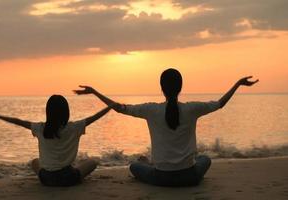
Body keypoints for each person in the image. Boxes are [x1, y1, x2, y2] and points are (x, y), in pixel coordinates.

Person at [74, 68, 258, 187]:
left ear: (161, 87)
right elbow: (220, 103)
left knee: (134, 166)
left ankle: (147, 163)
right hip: (189, 178)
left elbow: (119, 108)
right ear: (180, 87)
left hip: (161, 178)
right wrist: (238, 84)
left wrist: (94, 91)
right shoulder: (192, 108)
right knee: (205, 159)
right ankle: (149, 163)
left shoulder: (151, 110)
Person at [0, 95, 111, 187]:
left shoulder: (40, 128)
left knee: (35, 161)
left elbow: (18, 121)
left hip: (46, 179)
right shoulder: (74, 128)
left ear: (48, 113)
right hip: (68, 179)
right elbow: (95, 117)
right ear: (66, 112)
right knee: (92, 162)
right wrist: (110, 107)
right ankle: (74, 174)